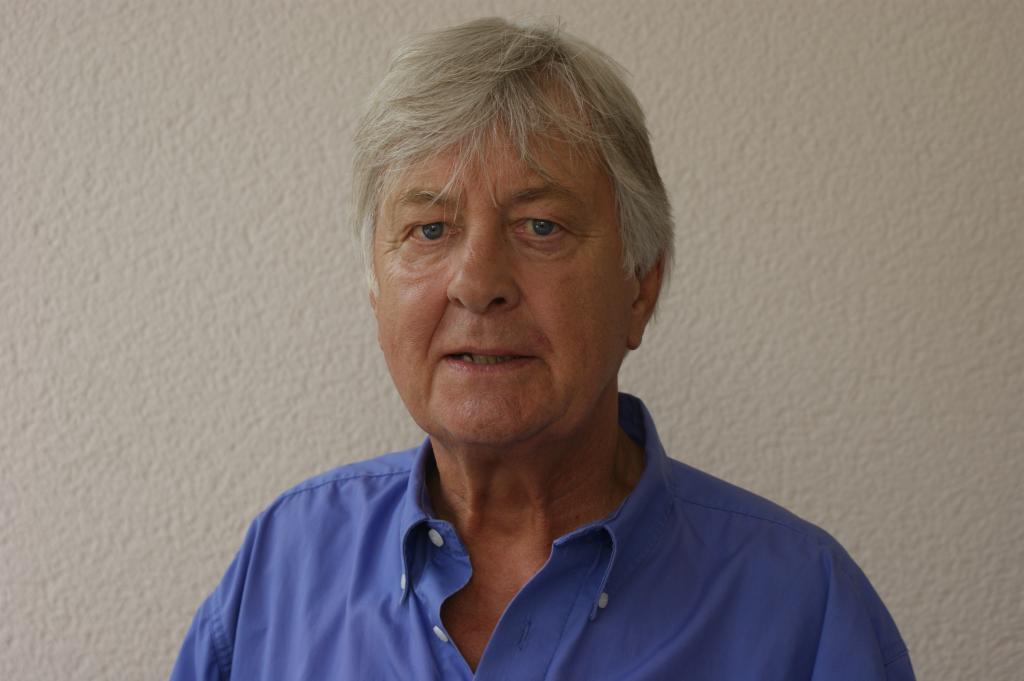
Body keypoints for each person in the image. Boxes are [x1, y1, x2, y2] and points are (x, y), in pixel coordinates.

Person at [171, 17, 915, 680]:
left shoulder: (805, 609)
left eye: (541, 227)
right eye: (429, 229)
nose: (478, 284)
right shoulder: (283, 565)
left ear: (641, 287)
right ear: (375, 287)